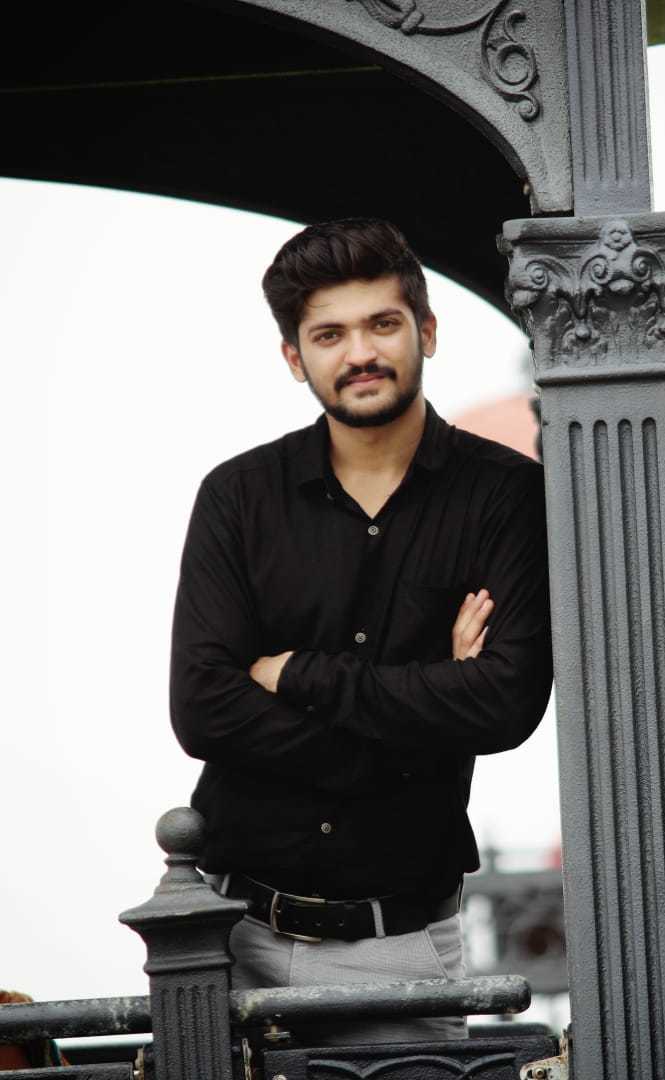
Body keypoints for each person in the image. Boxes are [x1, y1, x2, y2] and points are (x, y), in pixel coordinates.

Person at [169, 218, 552, 1046]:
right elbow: (203, 709)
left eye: (382, 324)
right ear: (294, 357)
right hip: (229, 937)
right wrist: (421, 723)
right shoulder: (238, 498)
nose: (361, 354)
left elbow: (506, 703)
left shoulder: (506, 498)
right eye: (329, 335)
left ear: (427, 331)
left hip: (402, 947)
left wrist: (297, 677)